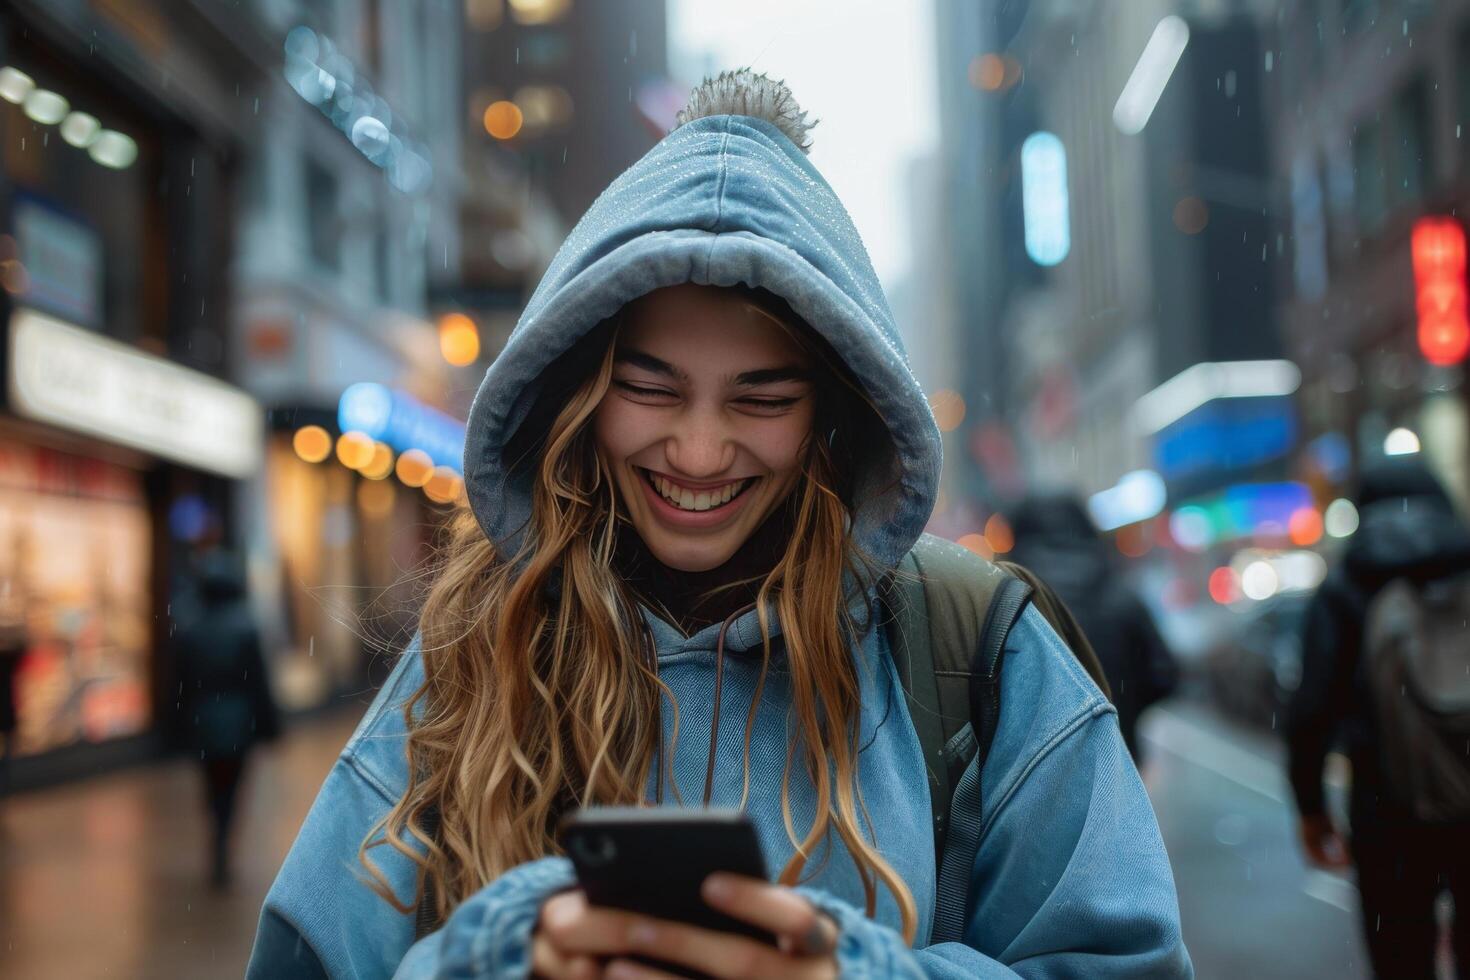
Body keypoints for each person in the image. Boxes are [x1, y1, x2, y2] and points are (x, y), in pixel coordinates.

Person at [249, 71, 1190, 979]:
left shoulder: (976, 648)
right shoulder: (477, 638)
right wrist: (496, 958)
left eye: (762, 398)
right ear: (578, 388)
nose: (698, 454)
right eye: (649, 386)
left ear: (835, 412)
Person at [1286, 457, 1470, 978]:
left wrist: (1311, 807)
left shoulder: (1347, 585)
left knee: (1401, 959)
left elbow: (1311, 709)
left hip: (1386, 806)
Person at [1008, 495, 1178, 763]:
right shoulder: (1122, 598)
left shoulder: (1006, 602)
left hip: (1029, 772)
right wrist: (1122, 707)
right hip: (1116, 761)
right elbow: (1165, 676)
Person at [174, 549, 279, 887]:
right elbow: (258, 683)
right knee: (232, 787)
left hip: (204, 721)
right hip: (236, 722)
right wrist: (269, 726)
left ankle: (217, 839)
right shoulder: (244, 628)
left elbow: (180, 684)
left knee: (211, 786)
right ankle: (223, 840)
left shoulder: (191, 629)